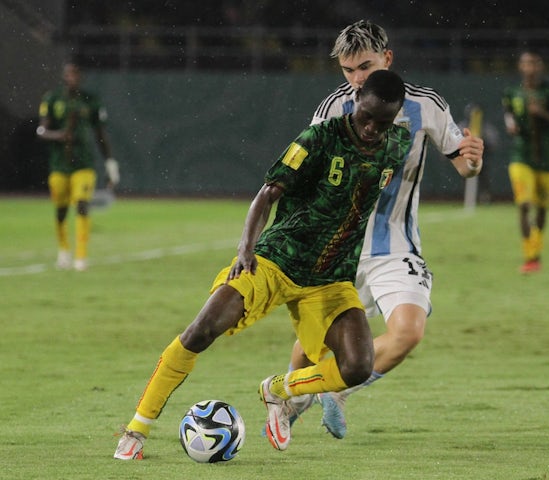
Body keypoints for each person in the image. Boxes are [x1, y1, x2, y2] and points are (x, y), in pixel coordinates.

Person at [114, 70, 422, 459]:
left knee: (358, 366)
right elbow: (268, 193)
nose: (372, 129)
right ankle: (137, 429)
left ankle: (279, 389)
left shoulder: (397, 144)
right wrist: (247, 247)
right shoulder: (319, 138)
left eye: (384, 122)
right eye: (367, 117)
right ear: (356, 97)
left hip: (331, 278)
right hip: (276, 260)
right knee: (201, 330)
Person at [283, 20, 485, 440]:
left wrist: (474, 159)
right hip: (337, 248)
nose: (357, 80)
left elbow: (463, 165)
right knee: (308, 350)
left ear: (388, 59)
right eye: (348, 71)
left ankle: (338, 390)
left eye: (365, 67)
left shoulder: (425, 105)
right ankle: (287, 404)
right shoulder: (332, 110)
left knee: (408, 333)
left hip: (396, 245)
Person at [37, 61, 120, 272]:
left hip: (84, 164)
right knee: (61, 209)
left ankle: (81, 256)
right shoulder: (52, 98)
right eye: (69, 73)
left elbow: (101, 135)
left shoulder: (90, 101)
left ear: (80, 76)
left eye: (76, 73)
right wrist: (59, 135)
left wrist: (110, 163)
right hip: (59, 165)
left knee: (82, 204)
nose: (72, 77)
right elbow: (41, 131)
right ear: (64, 76)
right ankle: (64, 250)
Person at [502, 50, 549, 274]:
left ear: (540, 66)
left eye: (533, 63)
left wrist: (542, 113)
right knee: (524, 204)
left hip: (546, 159)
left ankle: (535, 253)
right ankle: (529, 255)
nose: (529, 68)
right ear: (520, 67)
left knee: (542, 209)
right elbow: (508, 114)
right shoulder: (512, 93)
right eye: (525, 63)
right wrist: (511, 126)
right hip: (521, 156)